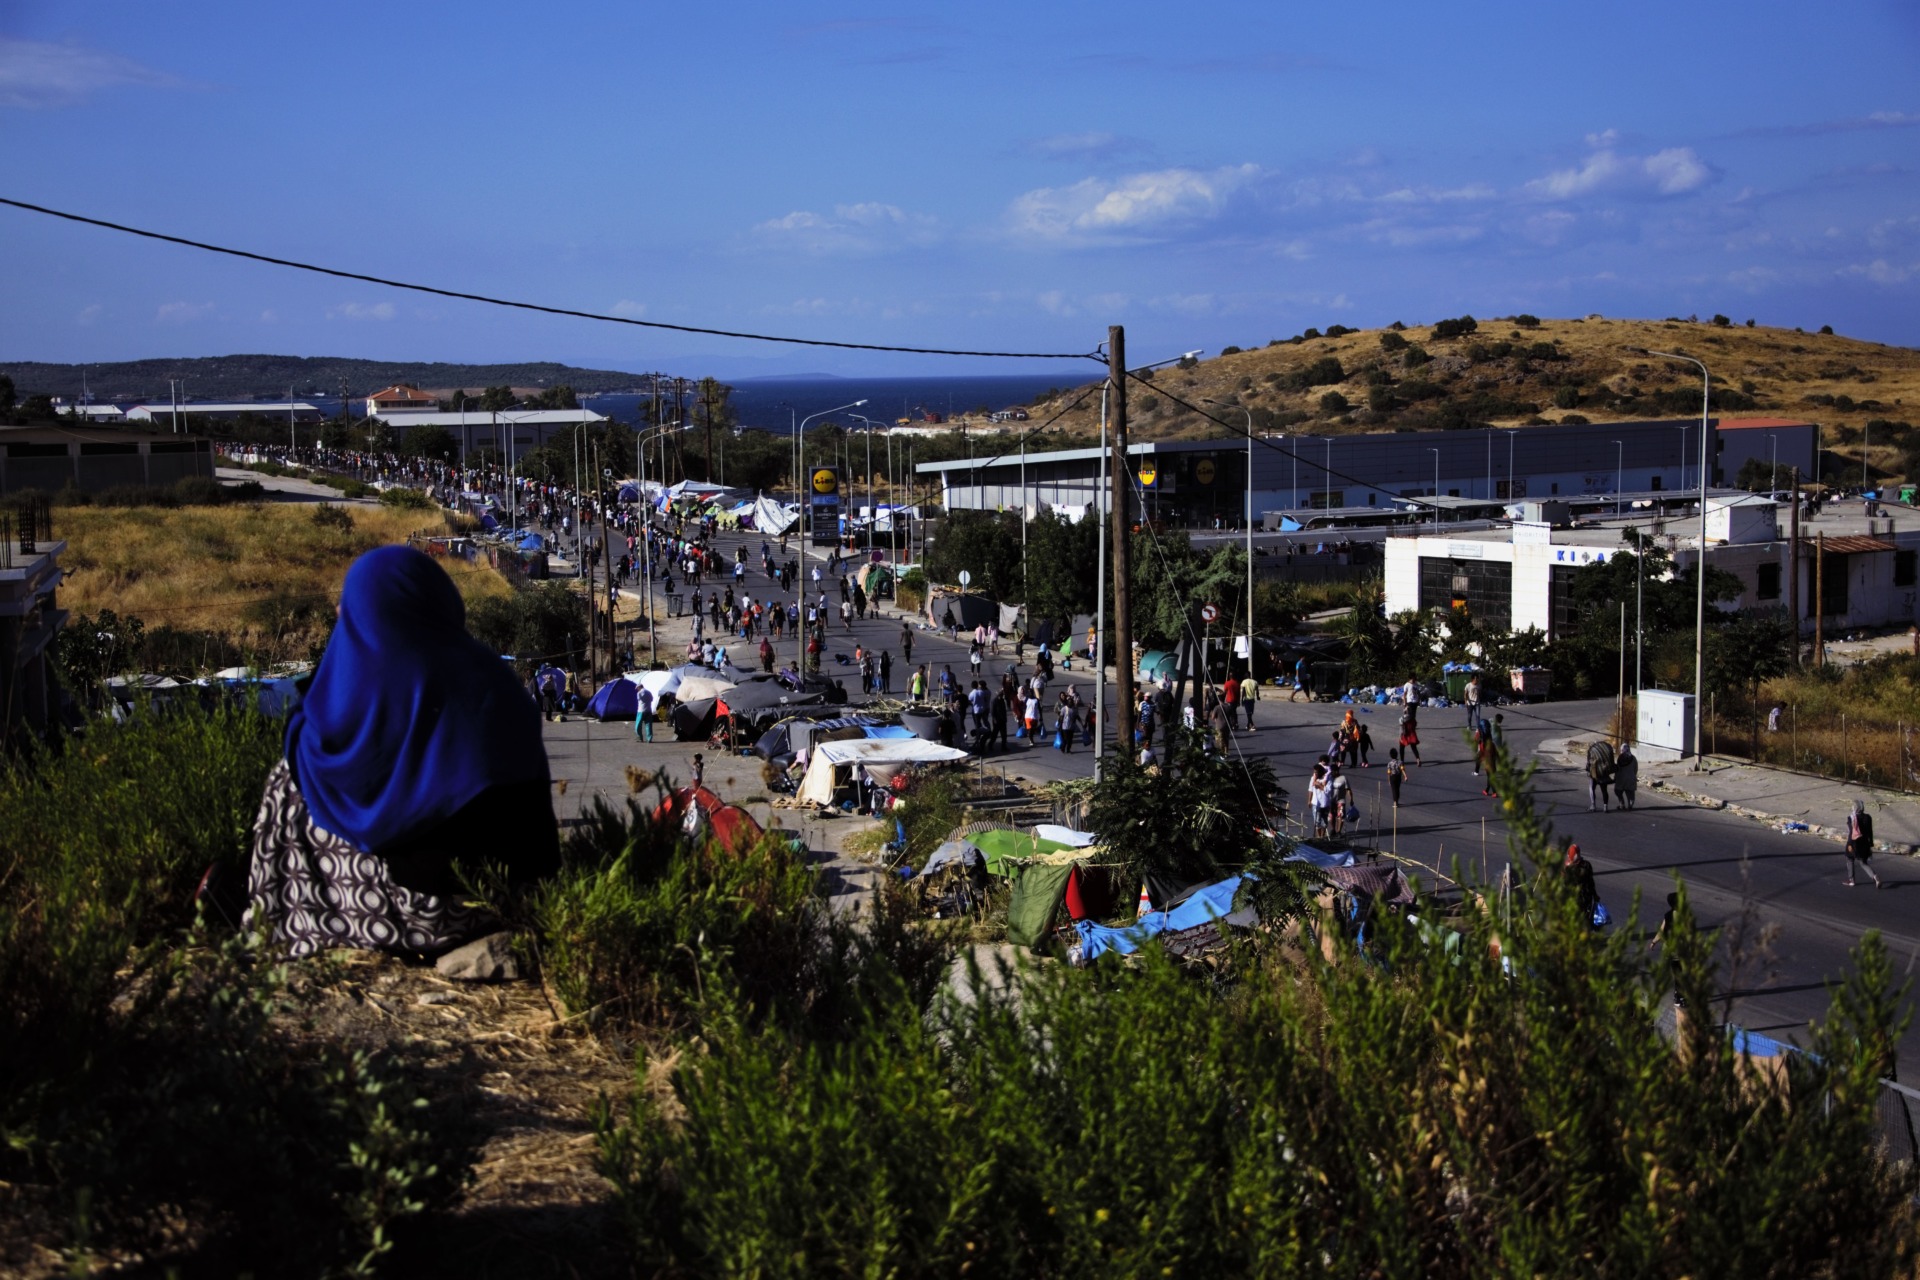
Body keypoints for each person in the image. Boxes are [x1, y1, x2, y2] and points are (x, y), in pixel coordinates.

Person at [244, 545, 558, 960]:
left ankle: (277, 921)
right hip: (496, 903)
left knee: (294, 773)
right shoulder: (498, 683)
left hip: (384, 911)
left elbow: (307, 743)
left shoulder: (348, 704)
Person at [1845, 799, 1882, 888]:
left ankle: (1851, 880)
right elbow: (1870, 831)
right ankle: (1874, 876)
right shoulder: (1868, 817)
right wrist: (1871, 843)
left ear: (1855, 808)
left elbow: (1852, 832)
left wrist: (1850, 844)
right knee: (1863, 862)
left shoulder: (1852, 818)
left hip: (1854, 842)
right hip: (1865, 843)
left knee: (1849, 858)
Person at [1563, 842, 1599, 925]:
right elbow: (1591, 881)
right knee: (1585, 919)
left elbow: (1565, 884)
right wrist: (1595, 895)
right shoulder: (1587, 865)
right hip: (1587, 898)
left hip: (1575, 899)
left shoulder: (1568, 869)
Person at [1586, 739, 1616, 812]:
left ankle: (1593, 805)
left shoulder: (1591, 750)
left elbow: (1588, 763)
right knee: (1604, 790)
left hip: (1594, 773)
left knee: (1591, 788)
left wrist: (1588, 770)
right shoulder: (1606, 749)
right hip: (1604, 772)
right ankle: (1605, 807)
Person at [1612, 742, 1638, 811]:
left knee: (1617, 791)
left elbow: (1618, 769)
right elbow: (1635, 769)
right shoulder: (1633, 758)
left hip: (1621, 779)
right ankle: (1630, 806)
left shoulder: (1620, 758)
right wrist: (1633, 775)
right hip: (1631, 779)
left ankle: (1622, 804)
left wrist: (1615, 777)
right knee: (1630, 793)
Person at [1398, 702, 1422, 766]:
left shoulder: (1402, 719)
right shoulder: (1412, 718)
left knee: (1401, 747)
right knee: (1414, 747)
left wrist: (1400, 736)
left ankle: (1402, 761)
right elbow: (1415, 724)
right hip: (1412, 734)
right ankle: (1418, 759)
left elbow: (1401, 728)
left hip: (1405, 734)